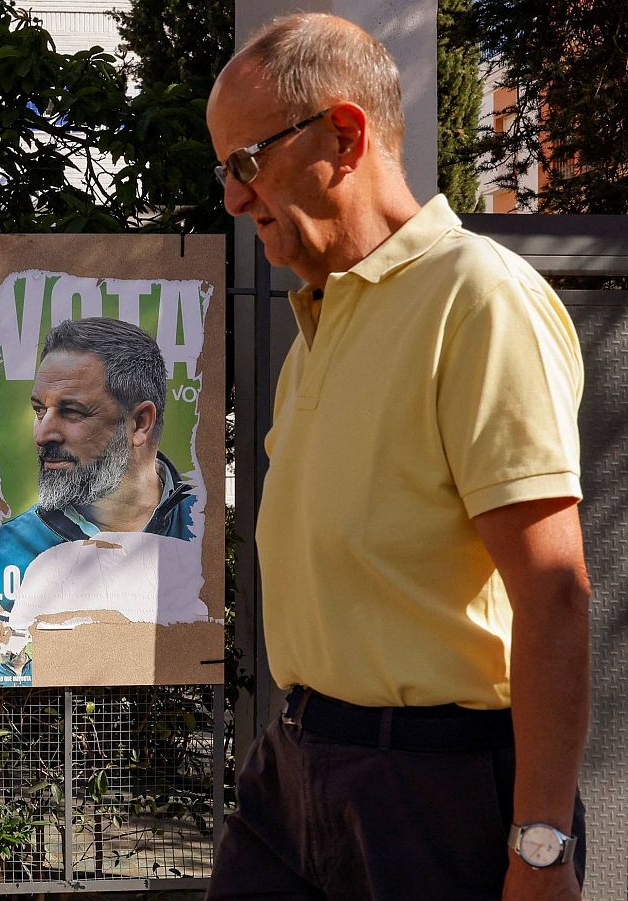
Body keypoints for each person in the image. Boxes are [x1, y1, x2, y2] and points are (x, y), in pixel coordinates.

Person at [206, 14, 588, 900]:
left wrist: (540, 848)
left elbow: (555, 594)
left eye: (245, 161)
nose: (232, 197)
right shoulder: (319, 323)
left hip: (431, 789)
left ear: (344, 135)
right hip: (294, 770)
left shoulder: (477, 297)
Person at [0, 316, 194, 616]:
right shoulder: (4, 553)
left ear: (139, 423)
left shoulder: (202, 530)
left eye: (72, 412)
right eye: (39, 410)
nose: (44, 434)